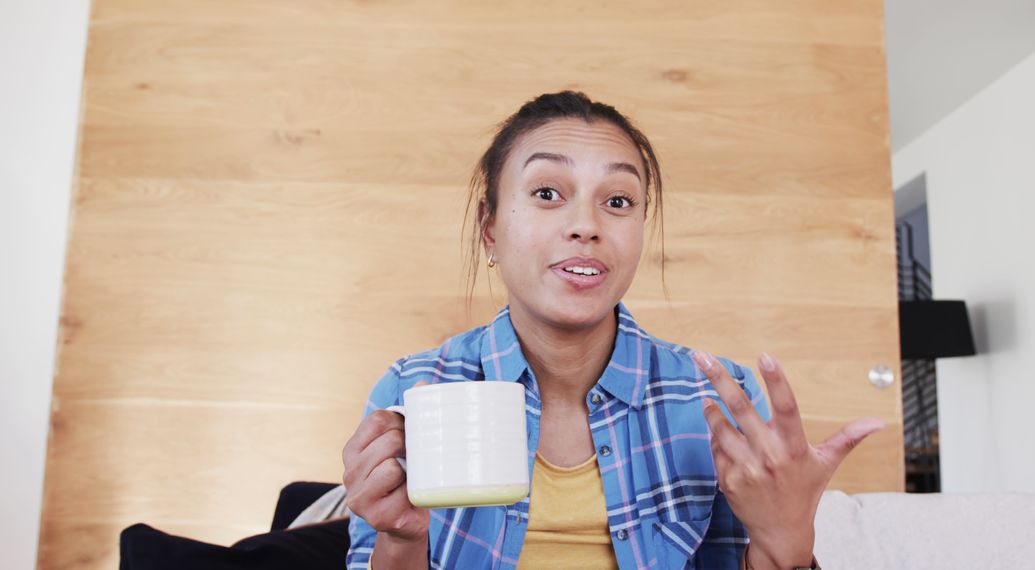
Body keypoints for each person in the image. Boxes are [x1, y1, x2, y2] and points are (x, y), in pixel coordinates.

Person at [341, 91, 885, 570]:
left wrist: (786, 541)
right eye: (547, 193)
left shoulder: (716, 401)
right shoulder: (413, 389)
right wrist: (399, 538)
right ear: (490, 227)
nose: (586, 225)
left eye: (618, 201)